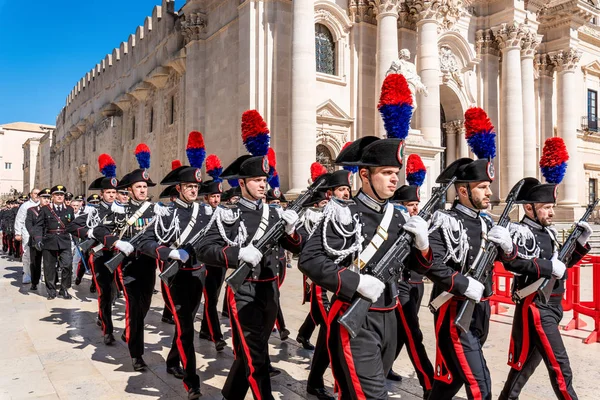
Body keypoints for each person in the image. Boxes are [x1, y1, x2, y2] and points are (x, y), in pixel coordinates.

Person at [300, 136, 433, 400]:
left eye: (395, 173)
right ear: (364, 175)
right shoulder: (344, 212)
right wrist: (355, 282)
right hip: (355, 317)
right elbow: (310, 260)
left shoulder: (399, 216)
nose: (394, 179)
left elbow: (415, 267)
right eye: (386, 173)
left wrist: (423, 246)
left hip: (390, 316)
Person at [198, 152, 303, 400]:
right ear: (242, 183)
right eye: (256, 180)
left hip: (270, 290)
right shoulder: (228, 214)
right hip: (244, 291)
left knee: (252, 350)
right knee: (257, 358)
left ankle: (230, 394)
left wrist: (291, 230)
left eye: (264, 180)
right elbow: (204, 249)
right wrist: (237, 253)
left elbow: (297, 248)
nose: (262, 185)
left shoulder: (275, 214)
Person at [499, 139, 590, 400]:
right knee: (560, 366)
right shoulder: (519, 231)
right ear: (529, 208)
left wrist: (580, 244)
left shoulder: (547, 232)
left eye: (552, 207)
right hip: (536, 305)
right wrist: (550, 266)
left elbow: (562, 267)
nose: (551, 212)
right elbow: (514, 263)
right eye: (546, 208)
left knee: (525, 366)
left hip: (553, 305)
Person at [137, 132, 210, 400]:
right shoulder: (164, 212)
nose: (194, 190)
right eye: (189, 186)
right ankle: (192, 381)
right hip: (175, 277)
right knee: (186, 328)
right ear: (178, 188)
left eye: (197, 187)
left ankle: (171, 360)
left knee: (187, 323)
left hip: (199, 274)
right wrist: (168, 252)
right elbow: (145, 241)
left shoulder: (206, 213)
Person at [95, 143, 162, 371]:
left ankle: (130, 333)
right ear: (130, 190)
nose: (143, 190)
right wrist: (117, 242)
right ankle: (137, 355)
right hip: (130, 268)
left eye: (145, 186)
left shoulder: (156, 210)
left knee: (143, 309)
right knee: (134, 310)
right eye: (138, 187)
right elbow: (99, 230)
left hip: (149, 265)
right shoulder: (120, 211)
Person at [67, 154, 120, 344]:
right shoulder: (93, 212)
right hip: (100, 256)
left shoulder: (124, 211)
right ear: (102, 193)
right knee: (104, 293)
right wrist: (90, 233)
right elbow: (72, 227)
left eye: (114, 192)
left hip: (119, 257)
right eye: (108, 193)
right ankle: (108, 330)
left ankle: (101, 315)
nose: (112, 196)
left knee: (114, 294)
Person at [387, 181, 434, 389]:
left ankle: (383, 366)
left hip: (417, 284)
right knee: (413, 334)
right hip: (402, 284)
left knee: (401, 332)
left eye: (417, 204)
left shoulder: (420, 225)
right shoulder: (396, 227)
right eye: (410, 204)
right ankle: (428, 382)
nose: (416, 209)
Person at [197, 156, 228, 352]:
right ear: (205, 198)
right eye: (213, 197)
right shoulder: (200, 215)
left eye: (218, 196)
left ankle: (204, 330)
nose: (216, 200)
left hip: (220, 262)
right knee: (209, 299)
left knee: (214, 298)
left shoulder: (224, 212)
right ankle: (216, 336)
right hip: (206, 262)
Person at [32, 185, 75, 300]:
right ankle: (51, 291)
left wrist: (78, 241)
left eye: (62, 195)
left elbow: (73, 226)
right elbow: (38, 226)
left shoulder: (69, 209)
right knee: (49, 267)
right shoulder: (45, 209)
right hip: (49, 240)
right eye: (57, 194)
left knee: (67, 265)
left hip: (65, 241)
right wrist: (38, 239)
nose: (60, 196)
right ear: (52, 196)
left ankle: (64, 289)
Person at [25, 188, 51, 290]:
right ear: (39, 198)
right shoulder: (32, 210)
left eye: (48, 198)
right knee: (35, 263)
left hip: (49, 240)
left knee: (50, 263)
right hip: (35, 240)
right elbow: (29, 225)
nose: (47, 200)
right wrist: (36, 236)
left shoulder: (53, 211)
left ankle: (51, 283)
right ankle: (34, 282)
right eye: (44, 197)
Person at [14, 188, 40, 284]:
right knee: (27, 254)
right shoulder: (25, 206)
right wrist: (18, 233)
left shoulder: (43, 205)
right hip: (27, 233)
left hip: (40, 234)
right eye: (35, 193)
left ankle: (38, 274)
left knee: (40, 255)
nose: (37, 195)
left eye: (38, 193)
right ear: (31, 194)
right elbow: (19, 220)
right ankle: (27, 274)